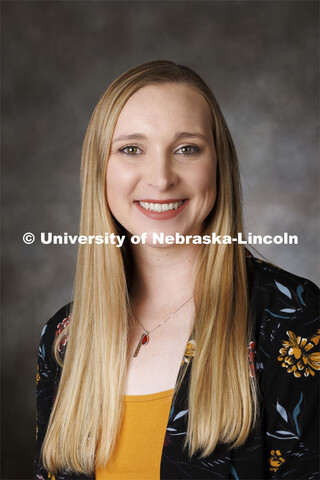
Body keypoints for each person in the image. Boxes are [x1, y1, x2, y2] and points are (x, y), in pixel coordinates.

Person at [34, 60, 319, 480]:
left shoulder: (297, 321)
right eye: (132, 149)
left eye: (187, 149)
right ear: (100, 169)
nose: (161, 178)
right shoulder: (63, 338)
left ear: (218, 164)